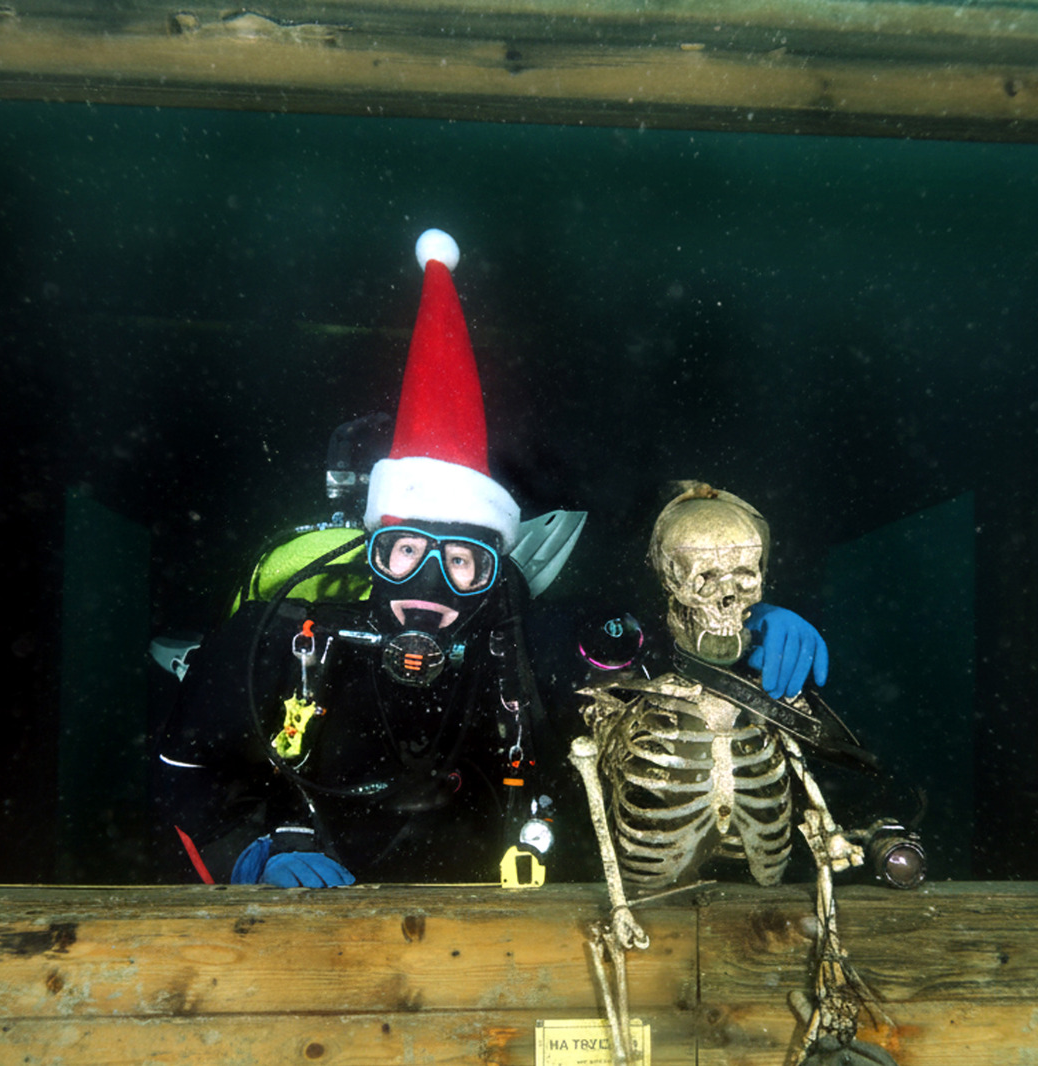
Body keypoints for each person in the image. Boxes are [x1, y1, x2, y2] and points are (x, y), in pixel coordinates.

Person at [152, 230, 829, 887]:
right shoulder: (280, 642)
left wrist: (743, 627)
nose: (427, 584)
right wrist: (250, 855)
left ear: (493, 569)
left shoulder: (535, 645)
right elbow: (183, 772)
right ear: (372, 555)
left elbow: (666, 655)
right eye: (405, 551)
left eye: (462, 561)